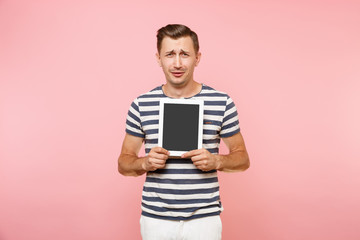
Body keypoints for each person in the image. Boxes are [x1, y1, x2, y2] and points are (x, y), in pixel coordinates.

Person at [118, 24, 250, 240]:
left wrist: (216, 161)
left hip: (204, 219)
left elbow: (242, 158)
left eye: (185, 54)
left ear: (197, 58)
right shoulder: (141, 104)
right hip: (156, 218)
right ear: (158, 58)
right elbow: (124, 163)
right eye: (169, 54)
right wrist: (145, 163)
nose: (177, 63)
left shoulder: (222, 102)